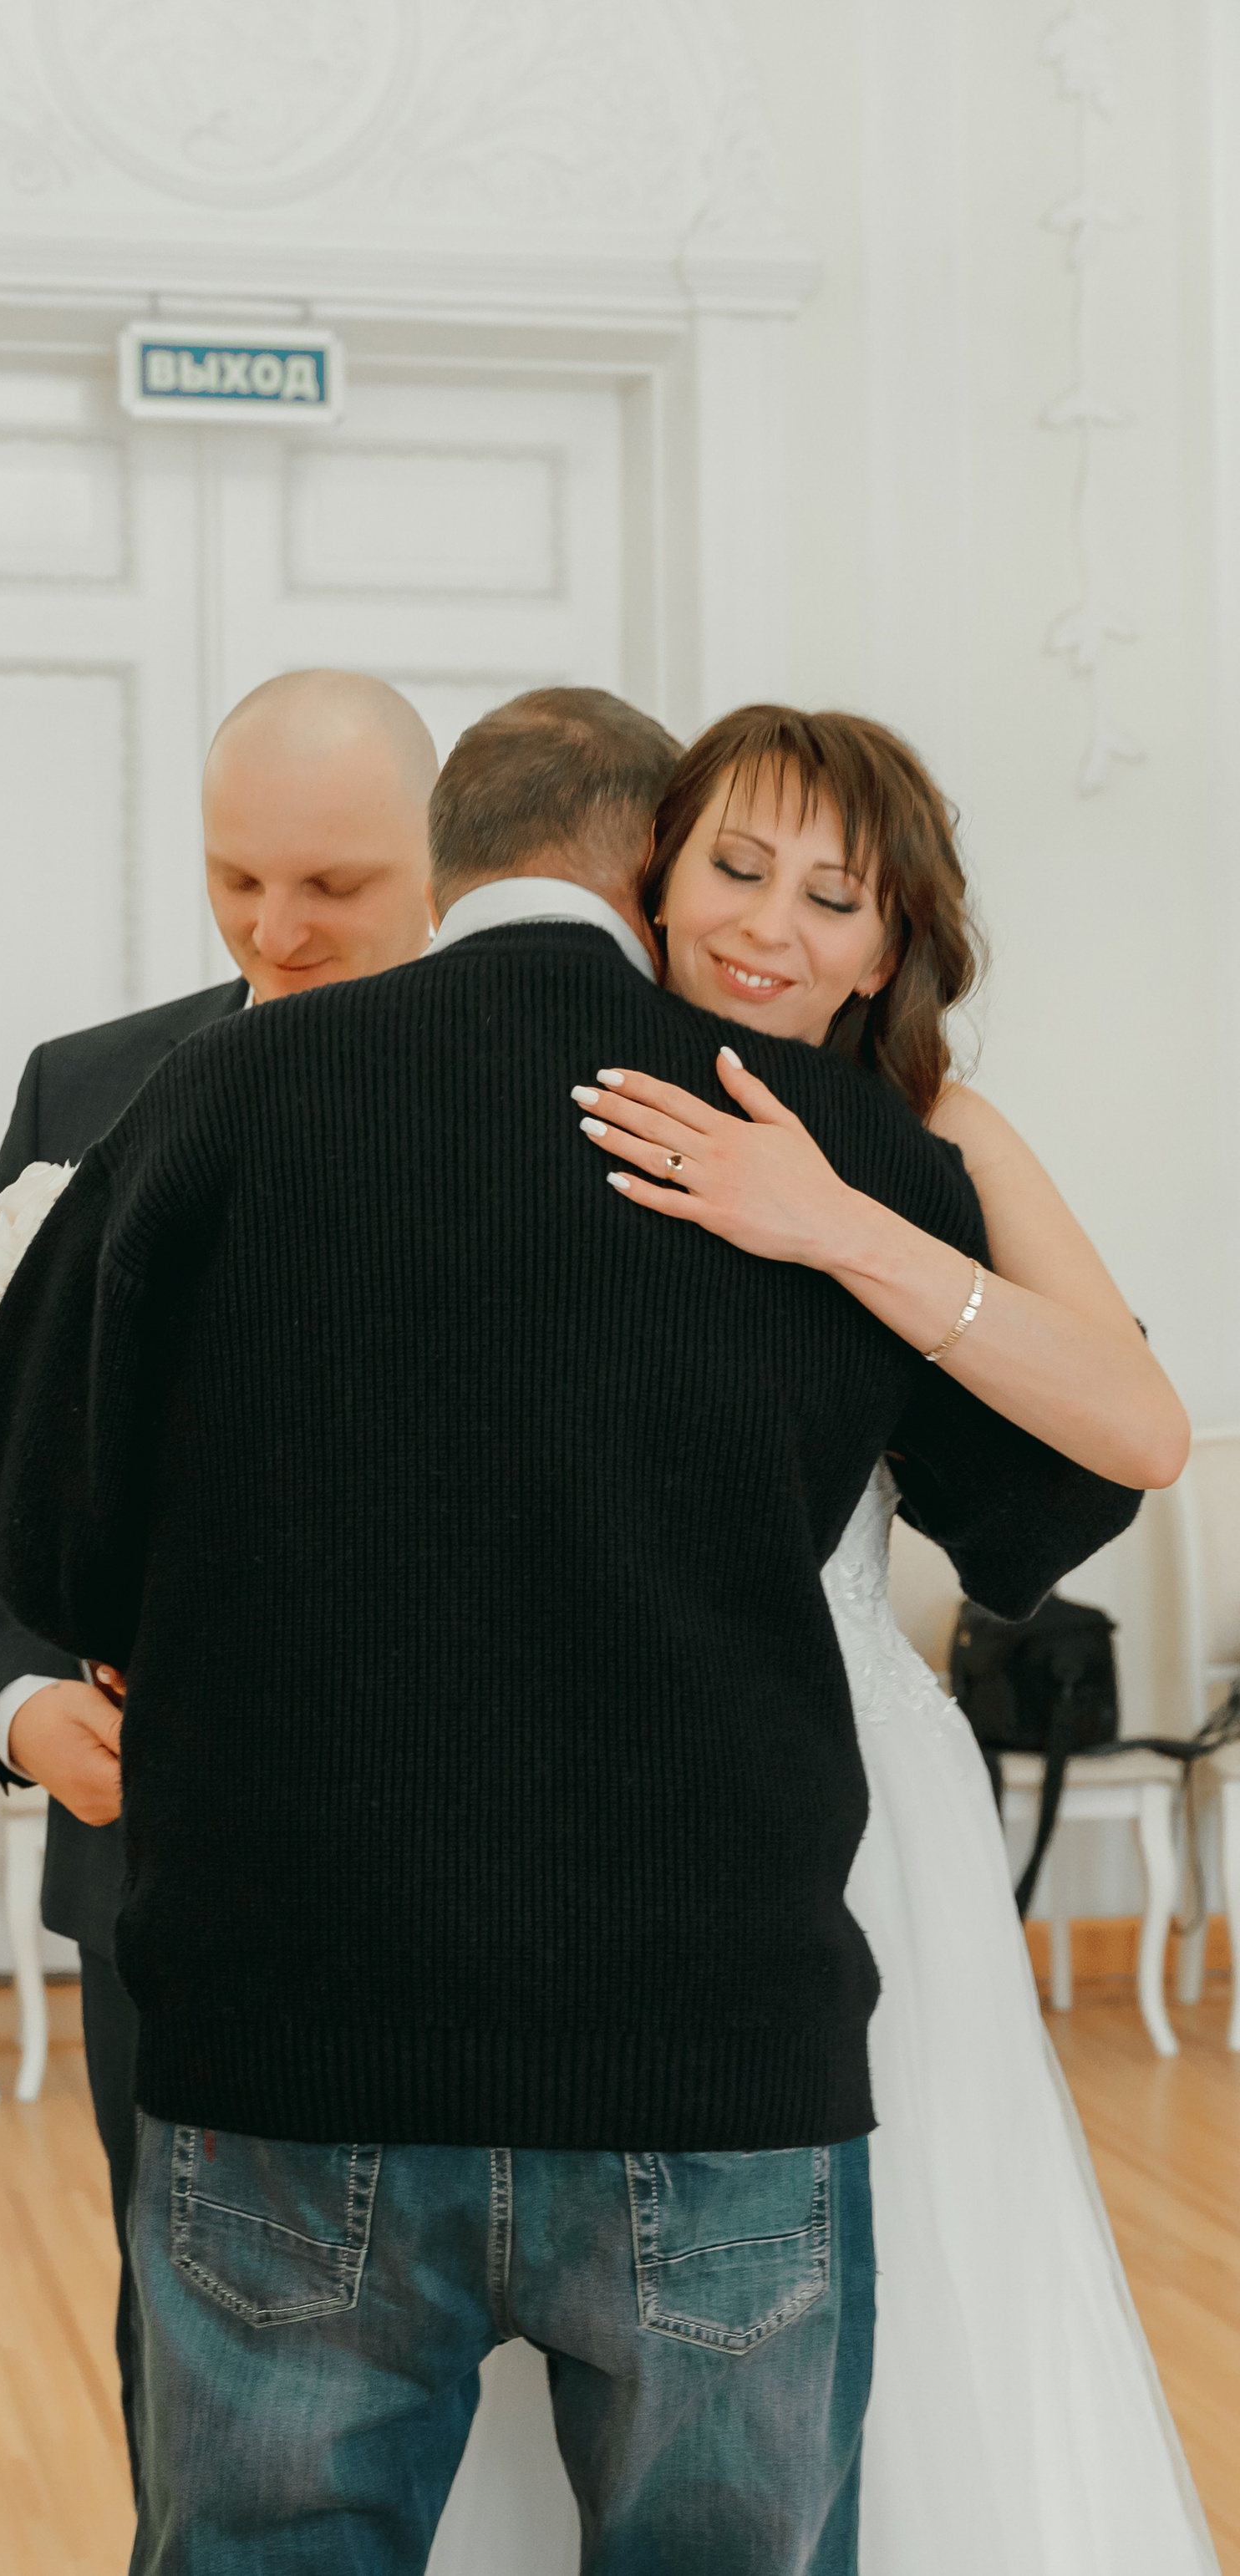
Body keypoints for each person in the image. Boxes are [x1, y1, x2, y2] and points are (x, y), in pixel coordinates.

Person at [0, 687, 1141, 2575]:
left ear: (442, 866)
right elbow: (1061, 1500)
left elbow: (41, 1524)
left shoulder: (229, 1091)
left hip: (293, 2043)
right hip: (710, 2056)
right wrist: (916, 1163)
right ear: (646, 868)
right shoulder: (835, 1152)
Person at [547, 704, 1216, 2576]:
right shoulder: (570, 1072)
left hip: (843, 1780)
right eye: (735, 869)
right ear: (654, 878)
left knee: (884, 2281)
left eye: (832, 898)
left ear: (890, 942)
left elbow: (1141, 1428)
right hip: (578, 1747)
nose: (769, 928)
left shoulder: (936, 1131)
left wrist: (837, 1225)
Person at [0, 668, 438, 2486]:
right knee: (194, 2356)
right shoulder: (86, 1085)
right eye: (236, 880)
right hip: (151, 1845)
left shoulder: (549, 1091)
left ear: (439, 859)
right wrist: (19, 1690)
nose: (274, 931)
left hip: (456, 1856)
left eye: (333, 886)